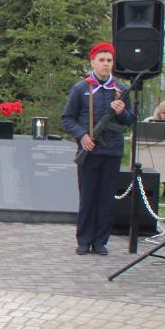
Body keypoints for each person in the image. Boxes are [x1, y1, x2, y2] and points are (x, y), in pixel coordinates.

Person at [62, 41, 135, 255]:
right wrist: (82, 135)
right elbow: (67, 118)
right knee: (87, 198)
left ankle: (100, 241)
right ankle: (84, 240)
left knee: (106, 199)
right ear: (93, 62)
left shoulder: (120, 90)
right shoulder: (81, 88)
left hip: (112, 152)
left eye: (109, 60)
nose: (105, 64)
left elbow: (130, 120)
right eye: (101, 60)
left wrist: (121, 111)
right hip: (89, 151)